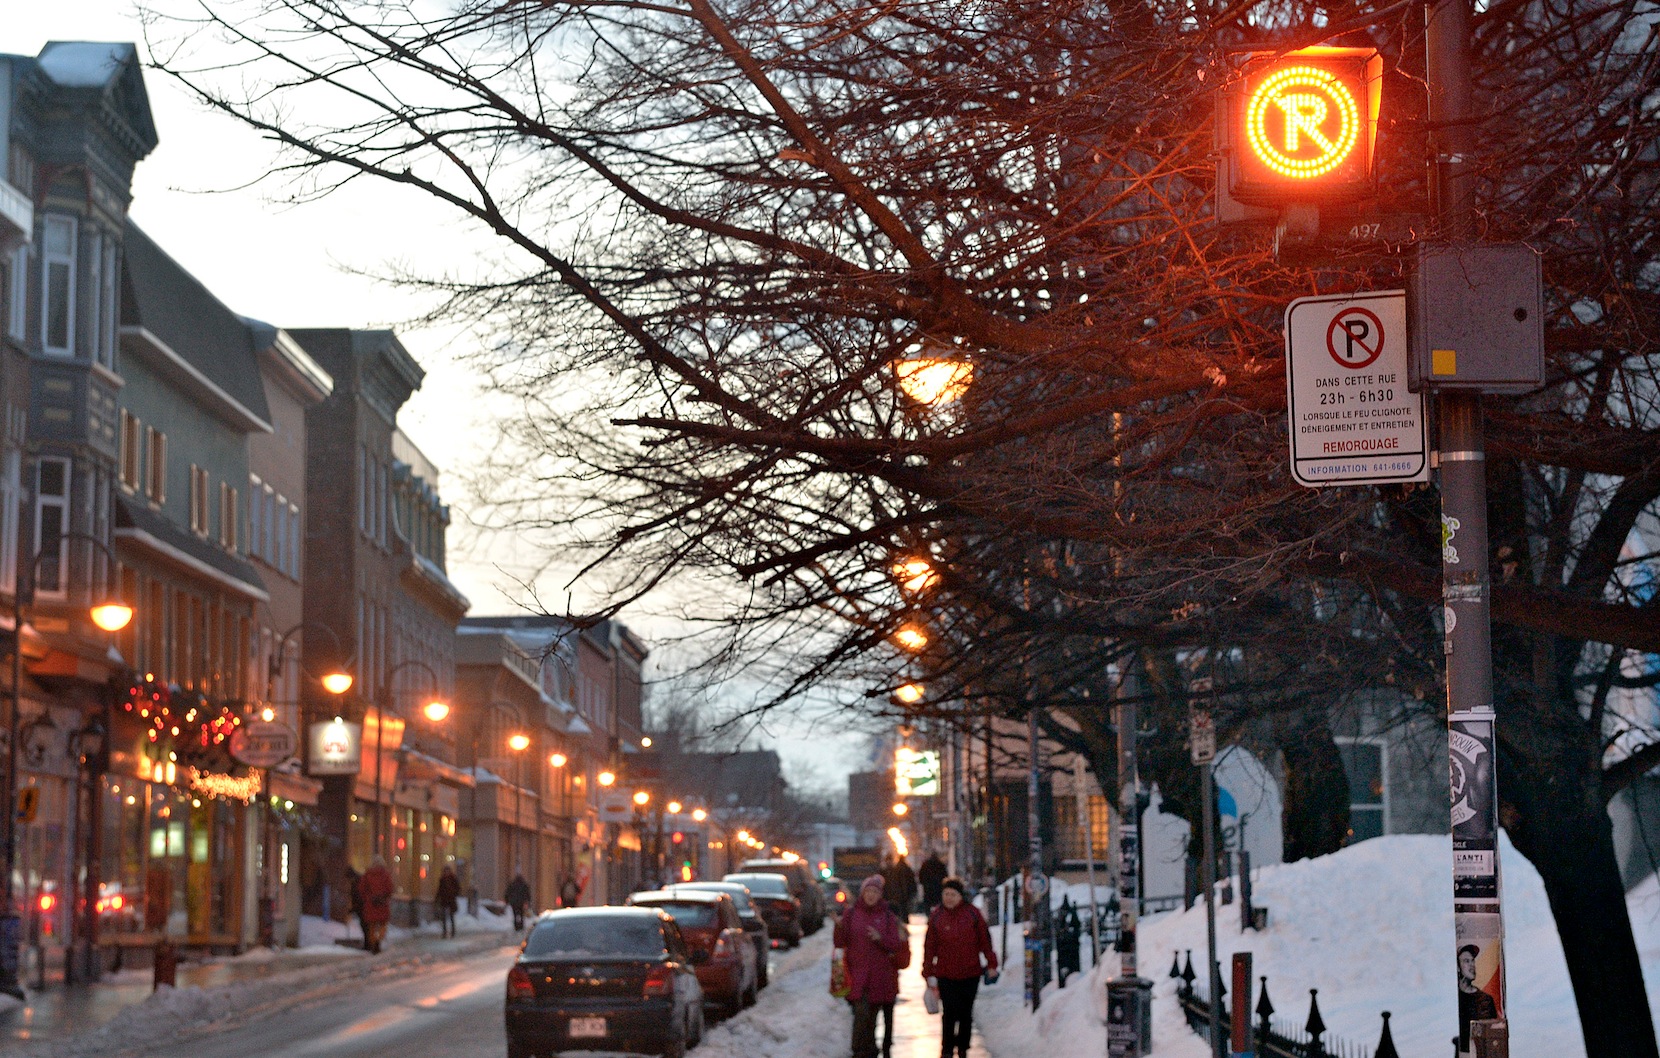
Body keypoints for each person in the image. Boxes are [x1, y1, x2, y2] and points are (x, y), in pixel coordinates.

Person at [923, 878, 998, 1058]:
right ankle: (947, 1049)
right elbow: (930, 946)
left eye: (953, 895)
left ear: (960, 896)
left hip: (970, 973)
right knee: (949, 1012)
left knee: (965, 1012)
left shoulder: (973, 914)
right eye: (946, 894)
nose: (949, 898)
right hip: (945, 973)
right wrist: (928, 971)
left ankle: (963, 1047)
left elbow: (985, 942)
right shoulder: (937, 916)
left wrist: (991, 963)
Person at [834, 874, 906, 1058]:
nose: (871, 895)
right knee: (861, 1012)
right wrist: (839, 927)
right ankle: (858, 1049)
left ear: (880, 894)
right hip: (856, 973)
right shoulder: (851, 914)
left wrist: (880, 939)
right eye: (868, 891)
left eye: (875, 891)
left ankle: (870, 1049)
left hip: (879, 974)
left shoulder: (887, 916)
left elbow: (895, 945)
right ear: (862, 893)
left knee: (872, 1015)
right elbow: (840, 942)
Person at [1457, 943, 1499, 1052]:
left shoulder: (1486, 1000)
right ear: (1457, 966)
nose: (1472, 965)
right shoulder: (1456, 999)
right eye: (1466, 961)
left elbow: (1493, 1035)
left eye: (1473, 961)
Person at [359, 857, 394, 954]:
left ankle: (373, 942)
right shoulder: (386, 875)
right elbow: (389, 889)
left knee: (371, 926)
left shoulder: (367, 875)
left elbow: (362, 889)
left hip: (370, 904)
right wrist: (384, 897)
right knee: (383, 924)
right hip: (382, 903)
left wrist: (367, 898)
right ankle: (379, 939)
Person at [884, 854, 918, 919]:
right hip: (902, 895)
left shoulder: (895, 870)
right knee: (904, 910)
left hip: (897, 895)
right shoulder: (906, 868)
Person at [917, 851, 948, 916]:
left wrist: (924, 883)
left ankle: (929, 916)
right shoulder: (940, 864)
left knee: (927, 904)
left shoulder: (925, 864)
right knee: (938, 903)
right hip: (938, 888)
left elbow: (921, 876)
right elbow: (945, 876)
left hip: (928, 888)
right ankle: (937, 916)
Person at [435, 865, 460, 938]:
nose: (446, 873)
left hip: (451, 900)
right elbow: (439, 890)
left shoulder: (453, 879)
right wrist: (437, 898)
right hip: (444, 900)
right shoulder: (442, 880)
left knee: (451, 917)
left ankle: (452, 932)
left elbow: (458, 889)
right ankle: (444, 932)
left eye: (447, 871)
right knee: (444, 918)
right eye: (445, 871)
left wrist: (454, 894)